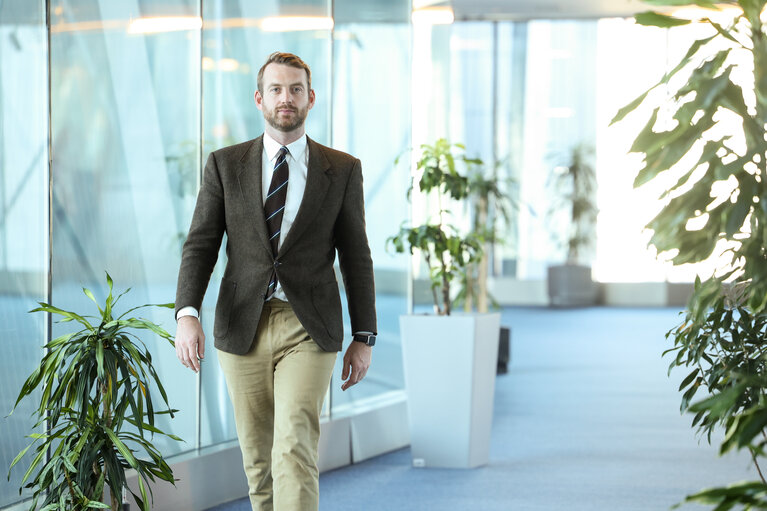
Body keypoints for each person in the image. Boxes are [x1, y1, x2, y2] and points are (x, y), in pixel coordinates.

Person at [173, 51, 377, 511]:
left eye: (296, 89)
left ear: (311, 98)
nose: (287, 98)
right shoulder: (225, 165)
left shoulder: (341, 169)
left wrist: (364, 335)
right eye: (278, 89)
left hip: (309, 327)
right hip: (240, 325)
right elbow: (201, 245)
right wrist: (187, 313)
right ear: (259, 98)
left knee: (294, 447)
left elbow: (356, 256)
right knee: (258, 461)